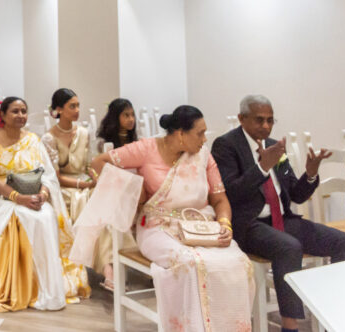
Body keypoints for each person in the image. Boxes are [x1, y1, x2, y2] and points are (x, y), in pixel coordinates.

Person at [90, 105, 253, 332]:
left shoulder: (203, 155)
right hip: (157, 228)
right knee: (190, 263)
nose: (205, 139)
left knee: (238, 262)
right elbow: (98, 163)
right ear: (180, 134)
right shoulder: (147, 148)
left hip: (202, 227)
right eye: (200, 133)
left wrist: (225, 223)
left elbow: (220, 199)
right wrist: (134, 190)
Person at [211, 95, 345, 332]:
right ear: (241, 118)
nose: (266, 126)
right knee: (288, 247)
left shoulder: (274, 145)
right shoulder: (226, 145)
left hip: (282, 219)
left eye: (270, 120)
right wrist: (262, 167)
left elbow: (296, 195)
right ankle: (290, 326)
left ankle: (337, 313)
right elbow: (232, 192)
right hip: (249, 224)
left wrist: (310, 174)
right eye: (259, 120)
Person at [0, 97, 89, 312]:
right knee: (23, 216)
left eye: (23, 111)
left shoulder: (33, 139)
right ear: (3, 115)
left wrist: (43, 194)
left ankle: (44, 286)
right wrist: (17, 197)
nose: (20, 115)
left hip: (33, 192)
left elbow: (46, 174)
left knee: (46, 215)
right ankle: (19, 286)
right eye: (15, 111)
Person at [89, 97, 140, 290]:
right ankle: (109, 270)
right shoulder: (103, 144)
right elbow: (93, 171)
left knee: (111, 213)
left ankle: (117, 269)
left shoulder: (137, 144)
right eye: (126, 115)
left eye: (132, 115)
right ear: (115, 117)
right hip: (108, 191)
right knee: (107, 218)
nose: (131, 119)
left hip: (134, 193)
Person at [41, 88, 94, 218]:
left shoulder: (84, 133)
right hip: (62, 187)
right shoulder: (49, 138)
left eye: (78, 106)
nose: (77, 110)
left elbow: (89, 166)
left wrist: (95, 178)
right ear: (59, 109)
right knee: (84, 199)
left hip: (84, 181)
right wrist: (82, 185)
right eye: (72, 106)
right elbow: (55, 177)